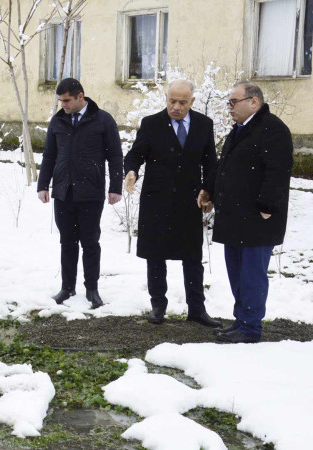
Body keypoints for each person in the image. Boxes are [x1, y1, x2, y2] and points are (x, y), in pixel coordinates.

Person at [123, 79, 221, 327]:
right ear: (166, 98)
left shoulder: (203, 124)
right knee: (156, 255)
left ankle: (197, 309)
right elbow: (136, 154)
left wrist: (209, 191)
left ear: (192, 101)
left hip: (190, 201)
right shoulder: (151, 124)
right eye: (172, 101)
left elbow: (210, 163)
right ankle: (158, 306)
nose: (176, 107)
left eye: (182, 102)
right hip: (157, 200)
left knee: (192, 255)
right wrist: (131, 170)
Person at [207, 81, 293, 343]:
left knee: (252, 275)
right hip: (234, 217)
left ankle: (251, 328)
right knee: (237, 272)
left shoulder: (273, 130)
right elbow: (226, 167)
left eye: (234, 101)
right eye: (228, 102)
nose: (229, 107)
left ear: (254, 102)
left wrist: (267, 206)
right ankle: (241, 320)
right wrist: (210, 191)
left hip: (257, 218)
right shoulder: (240, 129)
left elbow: (277, 172)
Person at [37, 78, 123, 309]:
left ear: (80, 97)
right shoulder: (58, 121)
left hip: (91, 192)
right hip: (63, 191)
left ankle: (92, 289)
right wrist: (43, 185)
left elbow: (115, 155)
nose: (62, 105)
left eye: (66, 100)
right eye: (60, 101)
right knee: (67, 242)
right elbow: (49, 155)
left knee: (90, 242)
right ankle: (67, 287)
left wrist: (115, 187)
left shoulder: (102, 120)